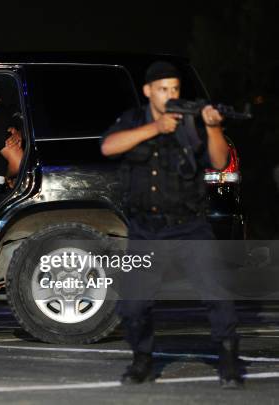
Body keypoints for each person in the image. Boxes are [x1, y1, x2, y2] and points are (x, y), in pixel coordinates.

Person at [101, 61, 242, 388]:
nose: (170, 94)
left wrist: (214, 128)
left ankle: (229, 360)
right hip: (146, 230)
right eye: (163, 89)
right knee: (134, 302)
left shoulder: (192, 122)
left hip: (189, 227)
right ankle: (143, 360)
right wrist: (156, 128)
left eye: (175, 89)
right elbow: (108, 146)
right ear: (148, 91)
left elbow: (220, 162)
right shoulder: (133, 120)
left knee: (217, 292)